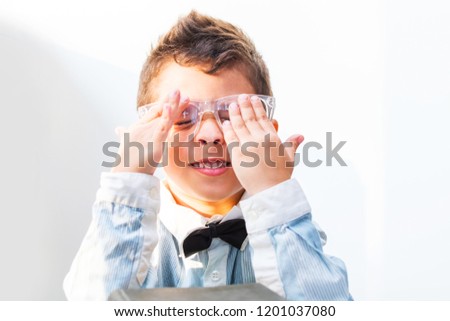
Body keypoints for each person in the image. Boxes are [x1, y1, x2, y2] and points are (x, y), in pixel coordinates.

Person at [63, 10, 352, 300]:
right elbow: (90, 304)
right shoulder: (126, 230)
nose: (211, 134)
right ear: (149, 134)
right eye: (184, 115)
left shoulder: (289, 231)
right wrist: (129, 179)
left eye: (231, 114)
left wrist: (273, 192)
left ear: (268, 137)